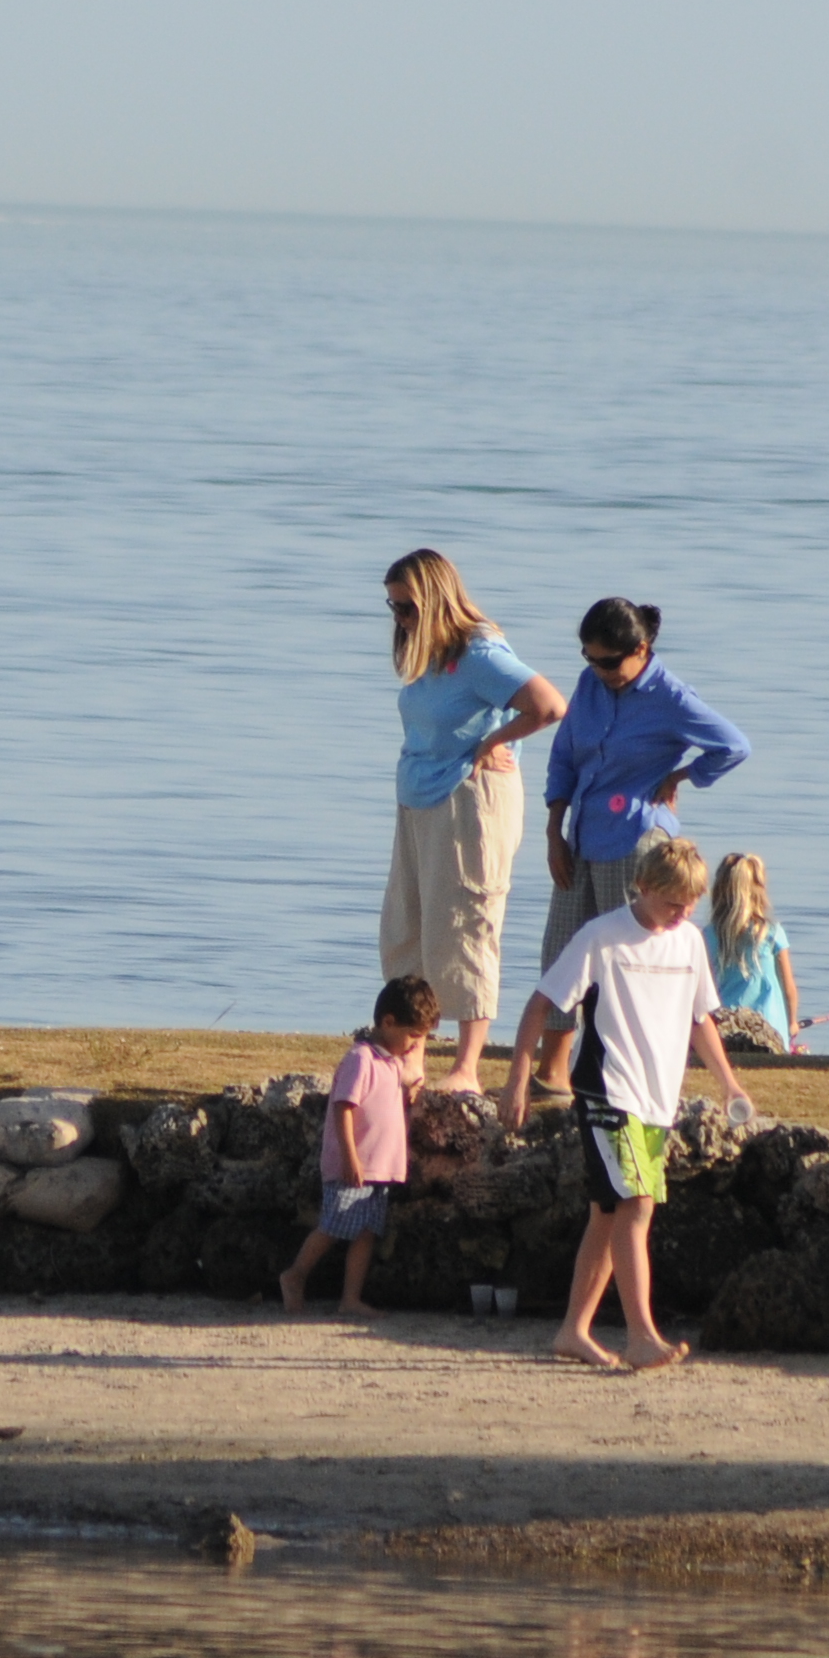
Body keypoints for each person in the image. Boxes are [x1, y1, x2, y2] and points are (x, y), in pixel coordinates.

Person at [503, 837, 751, 1371]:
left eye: (690, 903)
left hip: (657, 1099)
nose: (681, 913)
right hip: (606, 1091)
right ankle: (642, 1336)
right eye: (672, 902)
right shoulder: (601, 936)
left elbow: (700, 1020)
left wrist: (729, 1084)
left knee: (607, 1212)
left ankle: (573, 1330)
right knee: (636, 1206)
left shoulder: (689, 942)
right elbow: (541, 1003)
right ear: (642, 886)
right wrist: (518, 1077)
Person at [534, 600, 751, 1059]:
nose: (600, 670)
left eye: (610, 661)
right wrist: (554, 830)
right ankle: (552, 1071)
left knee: (627, 959)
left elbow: (733, 745)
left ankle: (622, 1062)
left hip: (635, 841)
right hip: (581, 837)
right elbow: (563, 757)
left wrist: (681, 776)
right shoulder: (589, 684)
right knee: (561, 954)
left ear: (641, 649)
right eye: (590, 659)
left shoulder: (671, 698)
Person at [379, 550, 564, 1087]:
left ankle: (466, 1067)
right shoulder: (430, 654)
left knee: (463, 926)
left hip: (468, 802)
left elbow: (548, 705)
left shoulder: (479, 651)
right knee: (407, 928)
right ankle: (412, 1055)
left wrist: (494, 741)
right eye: (392, 607)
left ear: (435, 599)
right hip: (420, 799)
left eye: (408, 608)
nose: (400, 619)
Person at [286, 974, 435, 1314]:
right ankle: (296, 1274)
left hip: (379, 1167)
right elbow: (344, 1107)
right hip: (353, 1164)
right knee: (333, 1225)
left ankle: (350, 1298)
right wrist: (350, 1158)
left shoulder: (392, 1062)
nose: (415, 1045)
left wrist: (412, 1090)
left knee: (366, 1232)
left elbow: (395, 1092)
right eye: (413, 1035)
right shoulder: (361, 1059)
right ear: (388, 1022)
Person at [706, 851, 800, 1054]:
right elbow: (789, 989)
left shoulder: (707, 935)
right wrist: (792, 1023)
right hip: (770, 1029)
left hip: (725, 1027)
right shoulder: (772, 933)